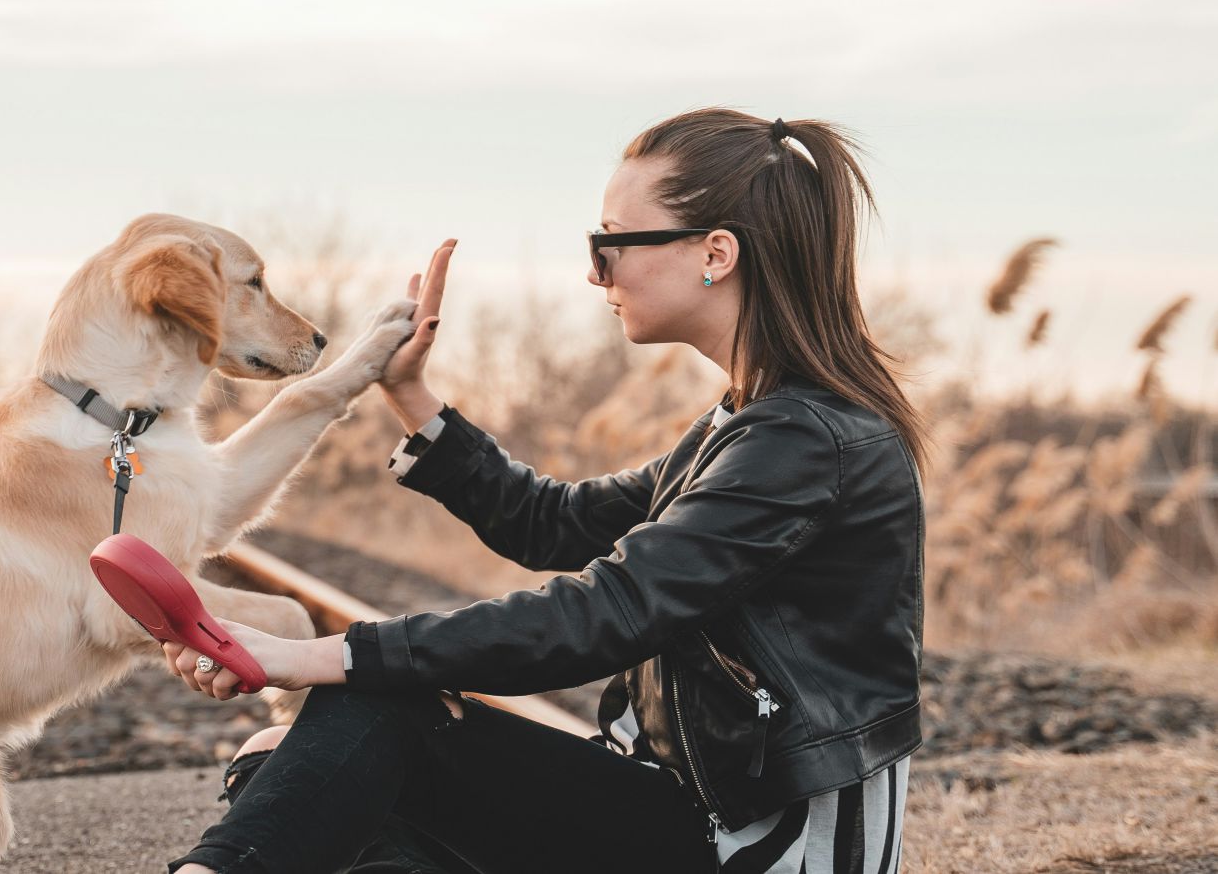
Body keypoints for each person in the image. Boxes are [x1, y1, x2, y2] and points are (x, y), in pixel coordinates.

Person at [164, 108, 926, 874]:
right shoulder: (750, 422)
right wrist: (411, 394)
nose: (596, 273)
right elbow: (555, 525)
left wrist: (332, 656)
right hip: (691, 808)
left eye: (611, 243)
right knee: (286, 761)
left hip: (761, 841)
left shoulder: (802, 442)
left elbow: (607, 611)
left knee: (377, 710)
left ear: (715, 254)